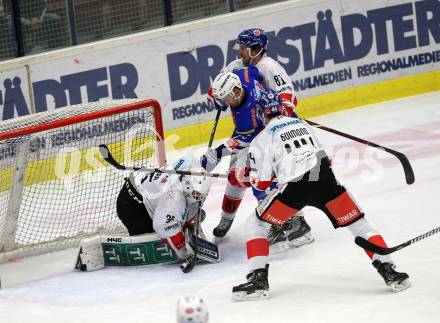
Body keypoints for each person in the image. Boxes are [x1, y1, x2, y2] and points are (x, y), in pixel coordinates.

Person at [229, 95, 411, 300]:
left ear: (262, 115)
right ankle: (390, 272)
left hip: (295, 189)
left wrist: (244, 176)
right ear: (282, 109)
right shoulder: (303, 124)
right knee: (359, 225)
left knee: (256, 223)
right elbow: (327, 160)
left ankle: (258, 280)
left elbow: (261, 184)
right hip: (325, 181)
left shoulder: (260, 139)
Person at [205, 28, 313, 247]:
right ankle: (227, 219)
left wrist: (279, 110)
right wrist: (216, 99)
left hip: (270, 135)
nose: (240, 51)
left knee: (268, 179)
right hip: (247, 131)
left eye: (244, 48)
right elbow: (216, 88)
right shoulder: (236, 67)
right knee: (236, 177)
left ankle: (295, 221)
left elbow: (288, 98)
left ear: (256, 49)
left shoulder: (269, 67)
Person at [116, 156, 211, 273]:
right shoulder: (174, 198)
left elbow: (199, 165)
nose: (200, 198)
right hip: (132, 207)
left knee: (183, 212)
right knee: (159, 237)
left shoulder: (191, 163)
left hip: (146, 185)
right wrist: (185, 253)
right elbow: (162, 225)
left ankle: (183, 220)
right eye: (197, 194)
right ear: (187, 185)